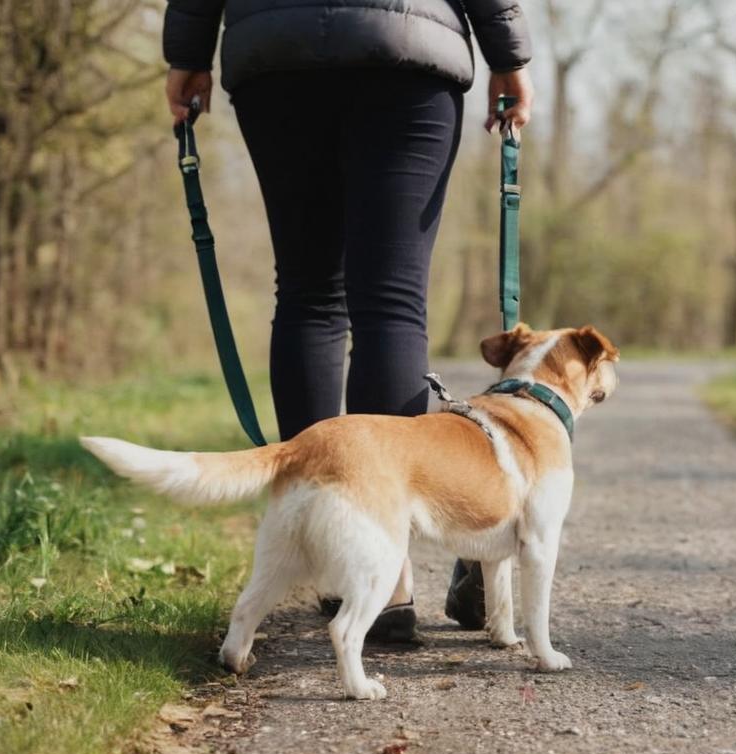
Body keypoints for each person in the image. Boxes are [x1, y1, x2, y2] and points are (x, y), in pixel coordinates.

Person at [162, 0, 533, 642]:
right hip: (407, 51)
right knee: (390, 302)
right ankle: (386, 582)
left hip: (275, 53)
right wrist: (509, 55)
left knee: (307, 296)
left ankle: (330, 551)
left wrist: (188, 53)